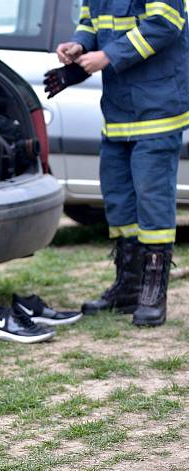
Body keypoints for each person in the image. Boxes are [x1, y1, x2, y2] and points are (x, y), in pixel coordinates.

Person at [54, 0, 188, 326]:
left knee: (152, 200)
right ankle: (129, 286)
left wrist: (109, 55)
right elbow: (89, 21)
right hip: (118, 111)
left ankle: (153, 293)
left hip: (158, 109)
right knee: (118, 200)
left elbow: (165, 23)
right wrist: (79, 44)